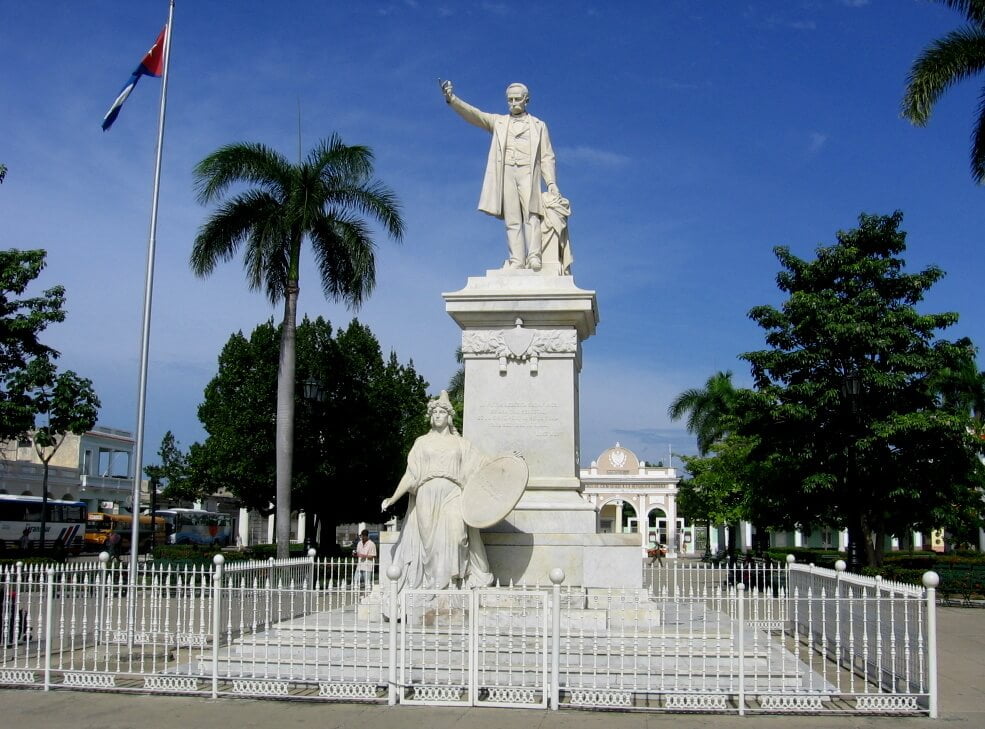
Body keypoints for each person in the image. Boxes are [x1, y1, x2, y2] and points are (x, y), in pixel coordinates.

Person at [441, 80, 561, 272]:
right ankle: (516, 260)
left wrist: (551, 183)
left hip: (528, 172)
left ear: (526, 100)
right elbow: (475, 115)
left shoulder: (538, 125)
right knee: (512, 218)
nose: (513, 103)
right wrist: (452, 99)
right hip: (507, 171)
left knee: (532, 215)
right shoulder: (500, 122)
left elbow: (547, 156)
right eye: (510, 100)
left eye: (517, 99)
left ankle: (534, 256)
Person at [382, 390, 495, 592]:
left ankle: (453, 583)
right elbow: (411, 475)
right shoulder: (421, 443)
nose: (437, 415)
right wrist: (393, 498)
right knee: (429, 544)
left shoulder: (461, 444)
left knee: (457, 536)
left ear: (449, 416)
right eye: (434, 412)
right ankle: (434, 587)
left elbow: (483, 464)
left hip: (454, 493)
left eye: (442, 412)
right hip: (426, 493)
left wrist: (508, 462)